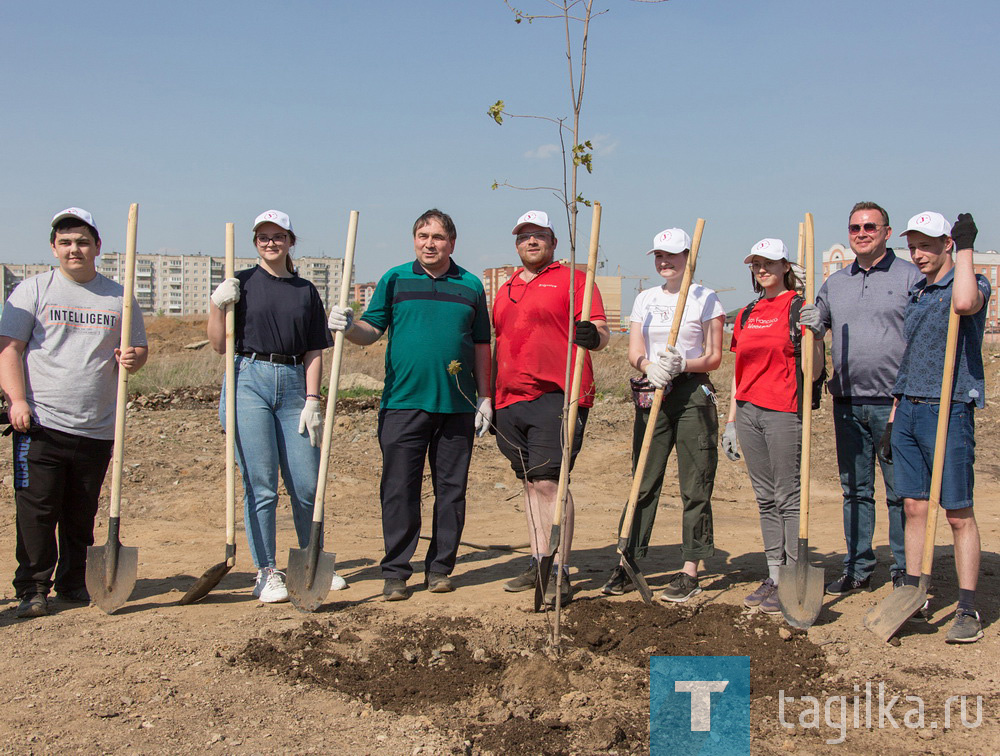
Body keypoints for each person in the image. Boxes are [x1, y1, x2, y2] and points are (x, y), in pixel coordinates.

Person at [328, 209, 491, 601]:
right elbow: (371, 330)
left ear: (452, 242)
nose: (429, 243)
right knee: (399, 490)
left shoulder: (470, 285)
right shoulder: (395, 279)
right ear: (414, 240)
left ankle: (439, 569)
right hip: (402, 404)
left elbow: (483, 345)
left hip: (457, 406)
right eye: (422, 236)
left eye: (437, 237)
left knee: (451, 491)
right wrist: (348, 327)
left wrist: (485, 396)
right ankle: (396, 572)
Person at [0, 208, 148, 618]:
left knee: (82, 513)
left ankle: (72, 582)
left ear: (97, 246)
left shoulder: (120, 297)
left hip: (98, 425)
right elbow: (8, 349)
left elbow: (138, 353)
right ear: (54, 247)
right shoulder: (32, 291)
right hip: (40, 423)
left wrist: (134, 358)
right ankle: (32, 588)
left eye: (82, 241)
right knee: (37, 510)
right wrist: (17, 400)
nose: (74, 249)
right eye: (65, 242)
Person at [207, 209, 342, 604]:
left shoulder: (305, 290)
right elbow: (218, 344)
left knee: (305, 484)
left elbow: (314, 348)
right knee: (262, 486)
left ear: (290, 240)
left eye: (278, 235)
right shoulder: (241, 284)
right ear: (255, 242)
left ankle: (312, 560)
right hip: (248, 379)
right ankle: (266, 571)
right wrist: (218, 305)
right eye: (263, 237)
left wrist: (313, 400)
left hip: (294, 384)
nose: (270, 242)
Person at [799, 202, 921, 596]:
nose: (862, 232)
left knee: (900, 492)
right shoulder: (835, 283)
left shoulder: (909, 276)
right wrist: (815, 328)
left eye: (870, 226)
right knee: (855, 490)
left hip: (896, 404)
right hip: (848, 402)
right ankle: (858, 568)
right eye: (855, 227)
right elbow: (816, 336)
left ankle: (905, 570)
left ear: (887, 231)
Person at [493, 210, 610, 605]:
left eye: (539, 235)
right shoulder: (506, 287)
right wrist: (487, 398)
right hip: (509, 399)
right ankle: (539, 560)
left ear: (553, 242)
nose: (531, 241)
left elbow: (601, 332)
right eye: (524, 236)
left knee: (550, 482)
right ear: (516, 244)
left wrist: (593, 335)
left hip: (559, 394)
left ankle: (559, 568)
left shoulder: (576, 281)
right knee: (529, 483)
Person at [602, 227, 725, 602]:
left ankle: (691, 568)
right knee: (643, 479)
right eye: (658, 255)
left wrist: (683, 363)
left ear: (689, 256)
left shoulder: (706, 299)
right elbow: (634, 349)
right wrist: (648, 365)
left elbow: (715, 356)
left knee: (695, 483)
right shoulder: (645, 298)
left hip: (691, 394)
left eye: (672, 255)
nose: (664, 261)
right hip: (653, 391)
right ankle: (628, 561)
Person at [891, 211, 988, 644]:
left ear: (946, 244)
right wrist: (896, 407)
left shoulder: (970, 282)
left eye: (927, 244)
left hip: (949, 408)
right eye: (913, 245)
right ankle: (915, 593)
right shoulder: (917, 290)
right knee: (913, 506)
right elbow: (910, 354)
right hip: (910, 407)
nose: (919, 253)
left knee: (957, 513)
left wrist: (967, 248)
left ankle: (967, 607)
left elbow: (965, 305)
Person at [722, 238, 823, 615]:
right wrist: (731, 420)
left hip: (783, 410)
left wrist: (817, 333)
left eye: (769, 263)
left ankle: (795, 576)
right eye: (756, 264)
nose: (762, 269)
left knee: (788, 497)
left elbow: (814, 372)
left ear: (785, 266)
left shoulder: (798, 308)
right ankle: (775, 575)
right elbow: (739, 371)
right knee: (765, 498)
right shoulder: (748, 312)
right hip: (748, 412)